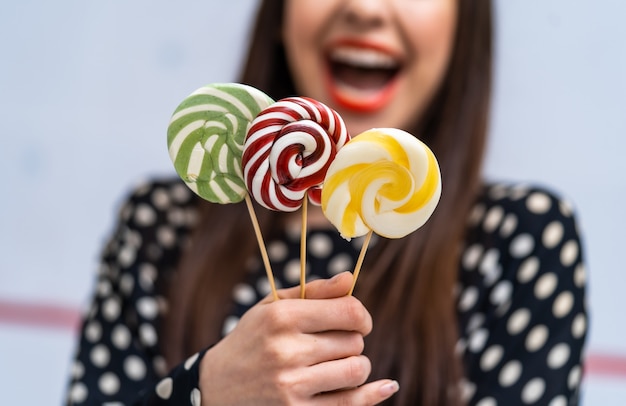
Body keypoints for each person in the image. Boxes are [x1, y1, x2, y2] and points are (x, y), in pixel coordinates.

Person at [66, 0, 588, 405]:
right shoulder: (159, 227)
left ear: (464, 23)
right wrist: (207, 390)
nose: (363, 8)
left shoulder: (519, 238)